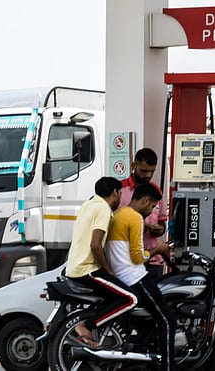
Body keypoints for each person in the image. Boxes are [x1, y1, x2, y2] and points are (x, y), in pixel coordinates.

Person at [108, 181, 175, 371]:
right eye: (152, 206)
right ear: (145, 200)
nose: (152, 211)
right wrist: (157, 249)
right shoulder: (135, 217)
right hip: (135, 276)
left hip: (121, 275)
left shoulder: (120, 214)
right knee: (168, 319)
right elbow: (138, 257)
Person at [66, 176, 138, 346]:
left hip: (74, 268)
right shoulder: (104, 209)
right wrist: (108, 270)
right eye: (120, 194)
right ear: (114, 192)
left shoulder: (88, 205)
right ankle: (87, 326)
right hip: (87, 270)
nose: (120, 199)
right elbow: (95, 245)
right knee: (131, 298)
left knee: (114, 296)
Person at [119, 147, 171, 278]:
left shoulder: (156, 191)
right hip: (128, 260)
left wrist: (158, 229)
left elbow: (162, 222)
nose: (148, 175)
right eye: (144, 171)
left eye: (152, 171)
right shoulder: (119, 191)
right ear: (133, 166)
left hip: (154, 260)